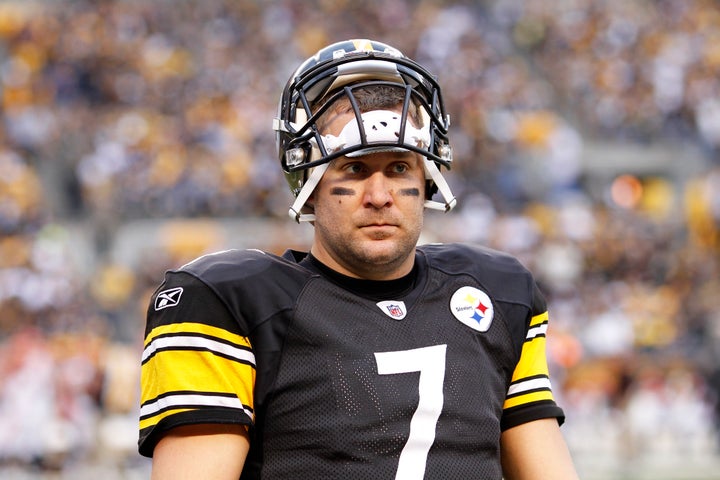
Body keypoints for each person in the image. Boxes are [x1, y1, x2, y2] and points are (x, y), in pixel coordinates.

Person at [138, 39, 579, 479]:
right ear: (307, 182)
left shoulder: (499, 293)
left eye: (400, 168)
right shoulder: (228, 302)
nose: (380, 197)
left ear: (427, 178)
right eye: (354, 169)